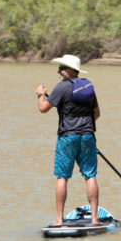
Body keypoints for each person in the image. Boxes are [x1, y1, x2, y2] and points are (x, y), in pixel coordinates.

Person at [36, 54, 102, 226]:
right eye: (59, 68)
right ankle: (95, 219)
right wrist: (84, 125)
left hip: (67, 137)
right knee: (90, 176)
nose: (59, 71)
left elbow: (43, 109)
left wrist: (41, 95)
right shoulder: (88, 87)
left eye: (62, 68)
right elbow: (97, 114)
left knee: (62, 177)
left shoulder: (61, 87)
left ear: (72, 71)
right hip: (87, 136)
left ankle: (59, 220)